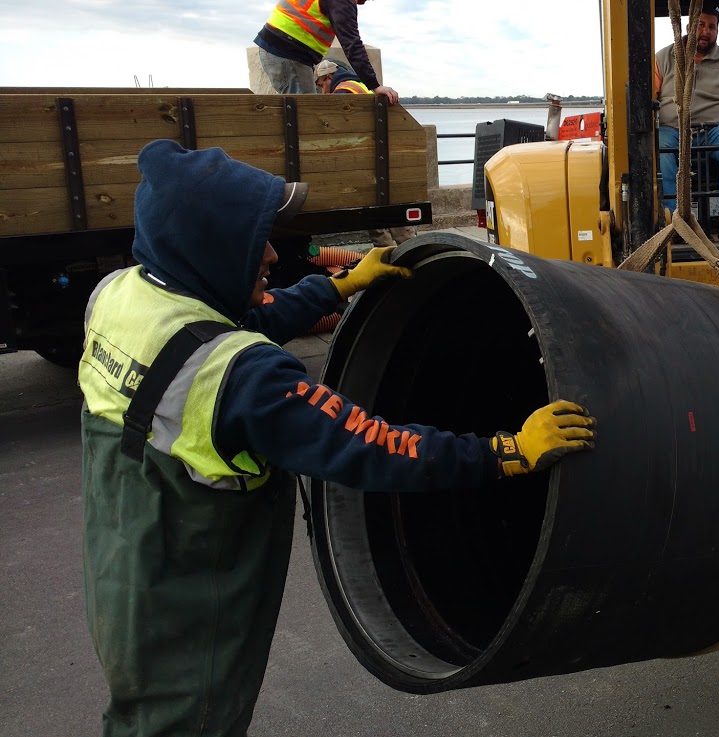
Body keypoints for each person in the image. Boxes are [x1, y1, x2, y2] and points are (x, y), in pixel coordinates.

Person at [78, 139, 595, 736]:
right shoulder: (244, 377)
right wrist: (505, 452)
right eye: (255, 242)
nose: (272, 254)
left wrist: (340, 287)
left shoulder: (120, 294)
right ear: (212, 247)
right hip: (189, 598)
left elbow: (218, 325)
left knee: (138, 717)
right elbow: (370, 445)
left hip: (122, 565)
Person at [653, 6, 719, 241]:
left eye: (711, 27)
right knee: (661, 147)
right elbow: (649, 96)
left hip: (714, 129)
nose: (705, 31)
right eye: (700, 25)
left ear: (717, 31)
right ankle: (672, 217)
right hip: (673, 128)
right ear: (689, 27)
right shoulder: (663, 58)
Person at [313, 58, 417, 246]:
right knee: (391, 210)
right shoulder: (359, 83)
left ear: (329, 77)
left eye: (322, 85)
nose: (322, 91)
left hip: (364, 157)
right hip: (378, 153)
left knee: (374, 215)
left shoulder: (344, 90)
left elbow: (335, 121)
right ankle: (410, 252)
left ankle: (388, 257)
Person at [254, 0, 399, 104]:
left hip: (283, 50)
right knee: (307, 115)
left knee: (304, 113)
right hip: (287, 52)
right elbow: (351, 43)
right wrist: (375, 85)